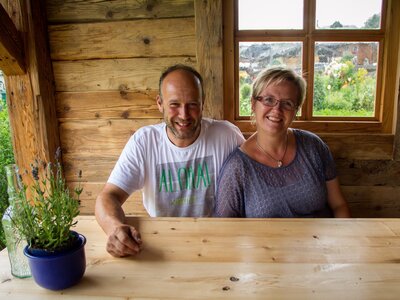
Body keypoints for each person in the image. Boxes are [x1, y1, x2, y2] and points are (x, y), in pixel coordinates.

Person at [95, 64, 245, 257]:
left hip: (217, 240)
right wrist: (114, 228)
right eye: (174, 104)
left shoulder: (227, 135)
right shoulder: (144, 141)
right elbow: (107, 196)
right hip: (161, 243)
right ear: (160, 103)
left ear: (203, 103)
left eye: (192, 104)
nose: (184, 115)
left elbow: (253, 180)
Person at [214, 67, 351, 218]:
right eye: (269, 100)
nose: (277, 110)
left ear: (296, 110)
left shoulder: (314, 147)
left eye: (287, 103)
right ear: (253, 104)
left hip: (320, 241)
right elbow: (225, 227)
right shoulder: (237, 169)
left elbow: (339, 205)